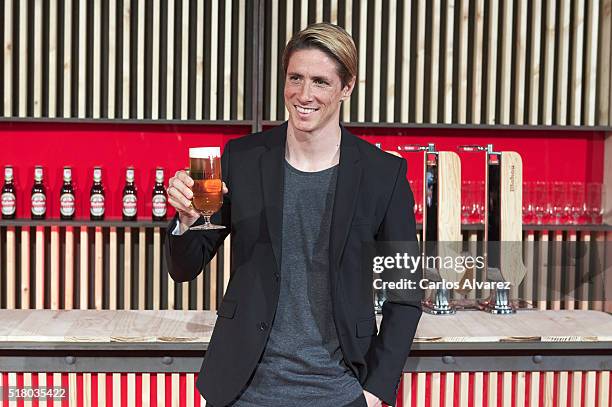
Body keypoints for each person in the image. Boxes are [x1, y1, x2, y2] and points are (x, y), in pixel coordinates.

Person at [165, 23, 422, 407]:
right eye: (295, 78)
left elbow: (405, 293)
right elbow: (184, 269)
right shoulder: (242, 158)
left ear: (346, 88)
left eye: (320, 81)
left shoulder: (384, 174)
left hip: (340, 391)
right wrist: (185, 222)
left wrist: (372, 393)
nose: (304, 95)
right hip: (241, 390)